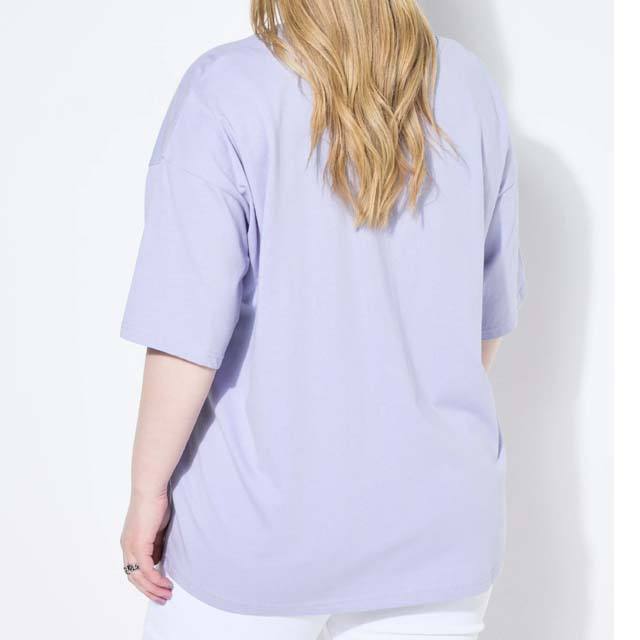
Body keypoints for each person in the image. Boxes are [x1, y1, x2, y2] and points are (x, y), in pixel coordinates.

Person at [119, 1, 526, 638]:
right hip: (441, 535)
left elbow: (185, 336)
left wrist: (147, 492)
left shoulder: (224, 90)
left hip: (256, 534)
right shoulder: (471, 87)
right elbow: (481, 326)